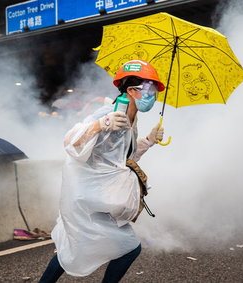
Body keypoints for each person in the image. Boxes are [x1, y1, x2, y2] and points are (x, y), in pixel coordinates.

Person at [39, 59, 165, 283]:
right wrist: (100, 124)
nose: (152, 94)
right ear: (131, 90)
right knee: (129, 247)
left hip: (101, 196)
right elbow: (70, 141)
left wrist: (148, 141)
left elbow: (121, 160)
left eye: (154, 88)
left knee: (71, 249)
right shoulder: (110, 112)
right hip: (88, 197)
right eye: (149, 88)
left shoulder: (132, 118)